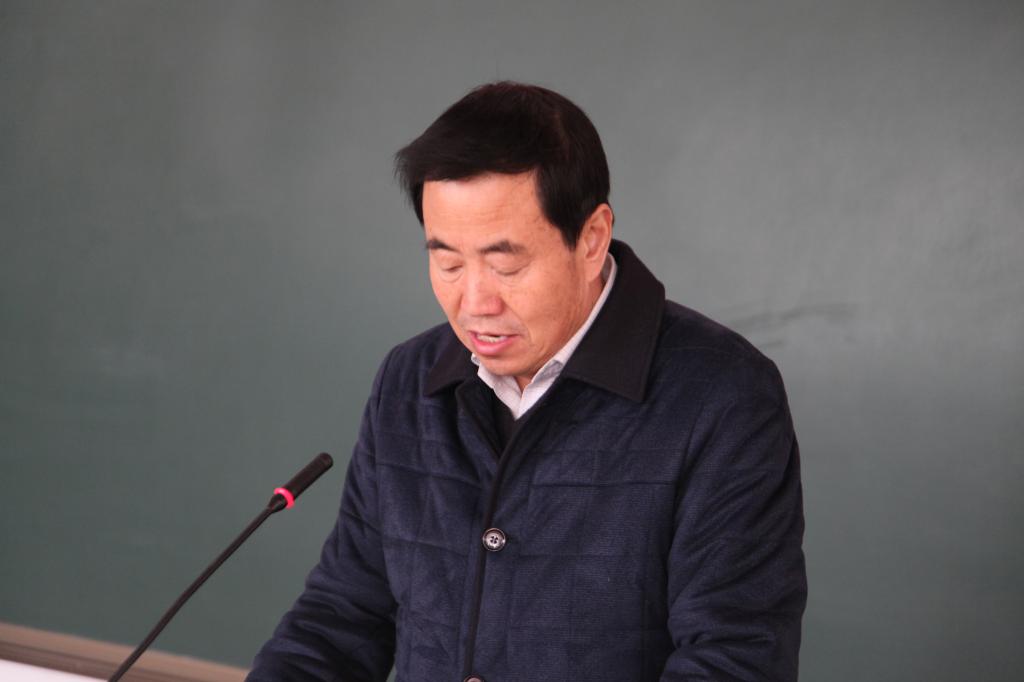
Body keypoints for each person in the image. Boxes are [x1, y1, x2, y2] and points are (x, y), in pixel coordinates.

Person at [248, 81, 806, 682]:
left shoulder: (722, 397)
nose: (474, 303)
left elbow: (732, 658)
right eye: (448, 262)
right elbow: (340, 620)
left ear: (591, 239)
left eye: (506, 265)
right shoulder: (408, 381)